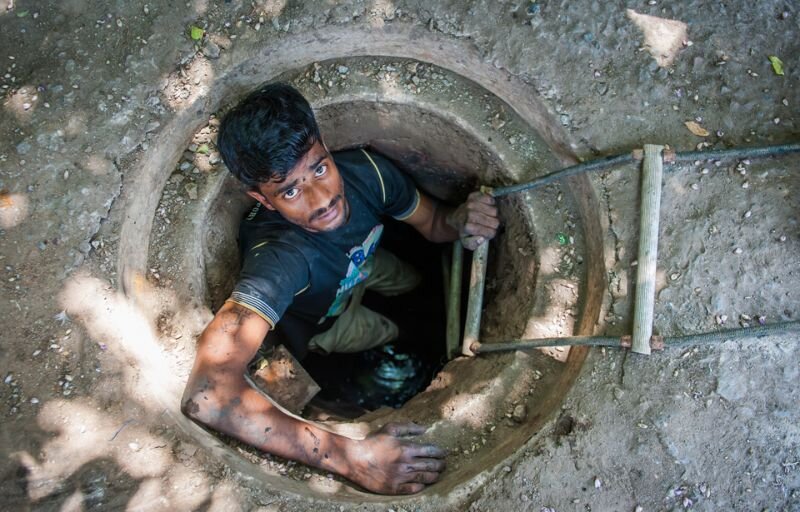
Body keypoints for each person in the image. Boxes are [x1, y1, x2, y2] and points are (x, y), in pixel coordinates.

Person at [181, 83, 500, 495]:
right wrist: (351, 459)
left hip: (363, 262)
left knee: (415, 284)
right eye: (290, 191)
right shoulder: (280, 259)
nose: (323, 199)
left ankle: (415, 310)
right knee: (390, 332)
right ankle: (404, 332)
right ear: (262, 198)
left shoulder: (368, 174)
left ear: (326, 147)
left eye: (318, 168)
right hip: (325, 322)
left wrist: (463, 220)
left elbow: (437, 225)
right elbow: (207, 395)